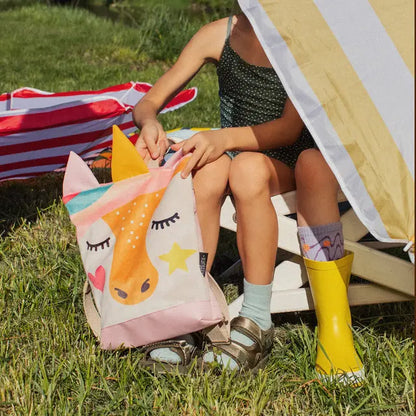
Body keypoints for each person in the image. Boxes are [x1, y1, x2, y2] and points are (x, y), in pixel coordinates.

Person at [133, 11, 364, 381]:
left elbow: (288, 130)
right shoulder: (218, 35)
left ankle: (256, 317)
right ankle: (189, 308)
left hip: (287, 159)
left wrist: (221, 139)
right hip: (236, 151)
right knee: (206, 170)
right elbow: (147, 103)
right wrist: (150, 123)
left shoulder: (302, 39)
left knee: (247, 168)